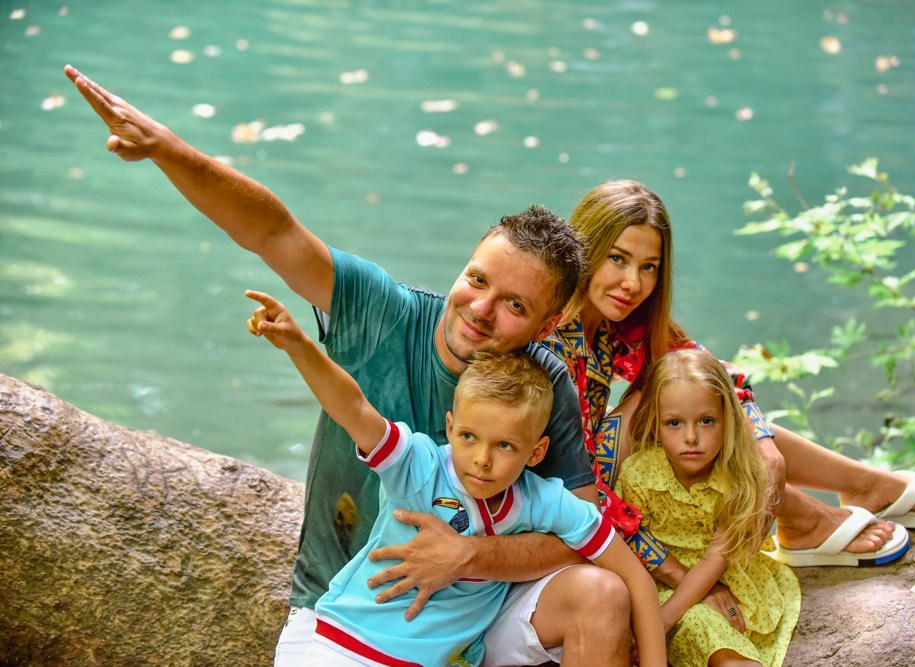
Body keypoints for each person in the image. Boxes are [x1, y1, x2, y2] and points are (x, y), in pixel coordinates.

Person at [64, 64, 639, 665]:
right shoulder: (383, 313)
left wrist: (471, 557)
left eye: (515, 305)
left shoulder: (543, 384)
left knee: (599, 595)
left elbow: (584, 538)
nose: (481, 310)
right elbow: (272, 232)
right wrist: (169, 150)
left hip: (475, 608)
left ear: (547, 326)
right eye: (476, 280)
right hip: (350, 611)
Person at [541, 179, 915, 575]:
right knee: (669, 393)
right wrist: (668, 568)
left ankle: (863, 484)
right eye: (617, 259)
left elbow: (712, 373)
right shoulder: (554, 342)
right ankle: (806, 518)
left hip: (598, 478)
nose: (632, 283)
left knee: (691, 386)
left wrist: (763, 442)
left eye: (649, 267)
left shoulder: (619, 321)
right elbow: (580, 489)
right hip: (573, 503)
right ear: (586, 249)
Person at [243, 290, 667, 666]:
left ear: (536, 452)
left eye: (504, 446)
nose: (481, 460)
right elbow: (354, 408)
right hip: (346, 645)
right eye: (468, 437)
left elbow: (634, 579)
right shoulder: (420, 467)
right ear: (449, 428)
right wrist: (299, 346)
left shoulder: (544, 501)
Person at [617, 348, 800, 667]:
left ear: (727, 419)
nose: (691, 437)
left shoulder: (738, 476)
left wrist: (661, 623)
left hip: (730, 581)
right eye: (674, 423)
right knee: (700, 627)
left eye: (706, 421)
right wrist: (659, 614)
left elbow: (717, 557)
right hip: (661, 584)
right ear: (655, 424)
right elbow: (629, 543)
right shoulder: (638, 474)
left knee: (707, 625)